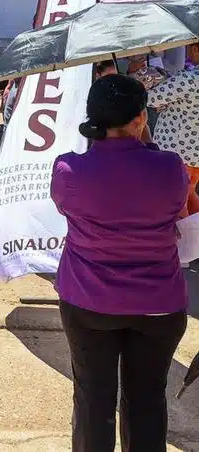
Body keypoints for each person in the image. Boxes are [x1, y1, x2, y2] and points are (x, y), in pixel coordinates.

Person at [51, 74, 189, 451]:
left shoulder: (67, 171)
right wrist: (146, 143)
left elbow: (68, 206)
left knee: (93, 401)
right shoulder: (171, 168)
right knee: (146, 401)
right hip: (159, 304)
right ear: (140, 118)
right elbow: (176, 207)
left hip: (88, 300)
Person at [146, 40, 199, 218]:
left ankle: (184, 244)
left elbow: (149, 98)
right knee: (190, 196)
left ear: (195, 49)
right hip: (195, 158)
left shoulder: (189, 79)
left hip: (177, 156)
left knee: (178, 206)